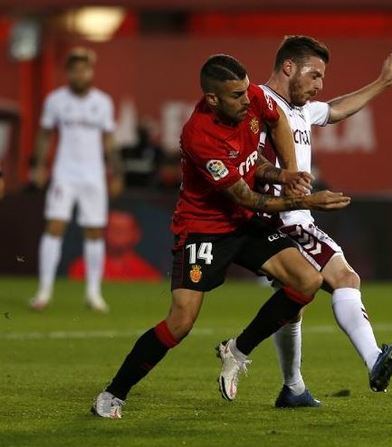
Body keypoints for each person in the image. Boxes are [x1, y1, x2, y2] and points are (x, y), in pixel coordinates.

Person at [91, 54, 351, 418]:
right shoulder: (199, 135)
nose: (249, 99)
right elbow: (243, 193)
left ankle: (238, 350)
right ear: (213, 99)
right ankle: (114, 394)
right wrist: (306, 200)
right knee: (180, 322)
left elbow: (258, 154)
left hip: (244, 223)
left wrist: (285, 174)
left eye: (247, 90)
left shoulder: (253, 99)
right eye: (237, 95)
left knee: (307, 281)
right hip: (204, 230)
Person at [259, 35, 392, 407]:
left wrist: (383, 83)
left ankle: (293, 388)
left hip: (291, 216)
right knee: (345, 278)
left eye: (322, 78)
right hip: (282, 218)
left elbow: (337, 109)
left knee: (292, 302)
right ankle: (374, 358)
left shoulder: (301, 109)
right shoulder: (259, 103)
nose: (318, 86)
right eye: (314, 75)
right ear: (288, 67)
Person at [29, 48, 123, 313]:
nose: (79, 73)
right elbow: (45, 134)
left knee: (94, 231)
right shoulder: (56, 101)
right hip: (64, 173)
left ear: (90, 72)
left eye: (84, 68)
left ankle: (93, 293)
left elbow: (109, 140)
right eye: (74, 69)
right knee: (54, 226)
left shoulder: (102, 102)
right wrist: (38, 166)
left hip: (93, 175)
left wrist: (115, 172)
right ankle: (44, 291)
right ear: (68, 72)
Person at [68, 210, 162, 281]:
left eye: (123, 230)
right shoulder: (82, 267)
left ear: (136, 234)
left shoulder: (146, 271)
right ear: (103, 232)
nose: (118, 234)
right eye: (113, 229)